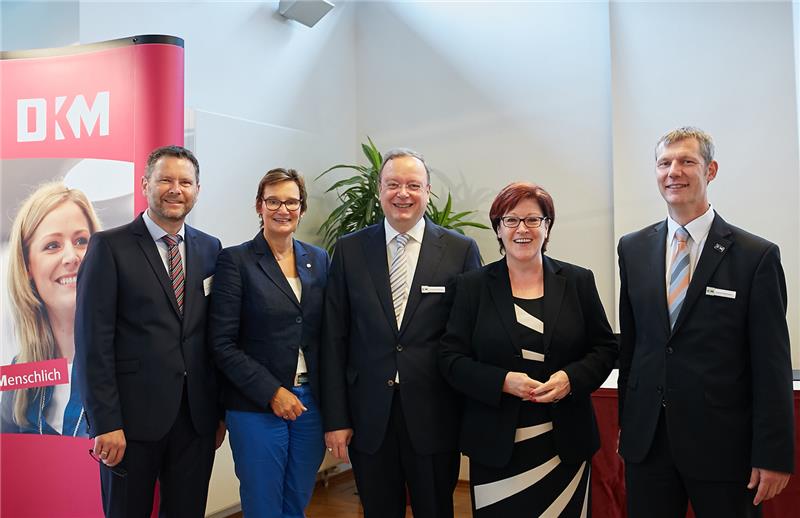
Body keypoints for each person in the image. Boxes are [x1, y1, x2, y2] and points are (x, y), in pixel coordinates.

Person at [617, 127, 794, 517]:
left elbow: (772, 364)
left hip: (725, 449)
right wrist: (626, 428)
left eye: (686, 162)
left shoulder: (755, 256)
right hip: (649, 445)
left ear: (710, 170)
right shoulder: (632, 248)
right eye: (664, 163)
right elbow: (634, 347)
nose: (673, 172)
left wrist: (774, 454)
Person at [439, 182, 617, 516]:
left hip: (564, 442)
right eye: (511, 220)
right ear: (498, 228)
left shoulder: (578, 281)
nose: (523, 229)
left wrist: (570, 378)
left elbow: (605, 348)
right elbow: (451, 360)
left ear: (547, 226)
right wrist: (503, 381)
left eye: (533, 220)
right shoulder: (472, 287)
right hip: (496, 444)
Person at [321, 148, 482, 518]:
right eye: (393, 184)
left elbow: (471, 338)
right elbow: (334, 339)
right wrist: (336, 419)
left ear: (428, 192)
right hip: (368, 417)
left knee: (435, 509)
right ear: (379, 190)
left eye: (413, 185)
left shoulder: (460, 250)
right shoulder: (349, 250)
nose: (402, 193)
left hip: (435, 415)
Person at [75, 145, 225, 517]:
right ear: (145, 184)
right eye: (165, 180)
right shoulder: (109, 247)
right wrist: (105, 423)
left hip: (195, 420)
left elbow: (212, 338)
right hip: (129, 423)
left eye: (185, 182)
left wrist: (218, 413)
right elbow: (93, 343)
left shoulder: (211, 248)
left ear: (197, 190)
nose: (176, 189)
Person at [208, 168, 329, 517]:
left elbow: (327, 334)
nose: (282, 209)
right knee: (263, 506)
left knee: (296, 501)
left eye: (291, 202)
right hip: (256, 405)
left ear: (301, 209)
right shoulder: (236, 260)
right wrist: (272, 392)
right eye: (273, 200)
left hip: (310, 403)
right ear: (259, 206)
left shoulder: (318, 260)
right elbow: (222, 343)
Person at [1, 182, 100, 436]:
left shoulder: (132, 356)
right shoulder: (19, 377)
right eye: (52, 246)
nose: (71, 257)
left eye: (81, 241)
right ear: (27, 267)